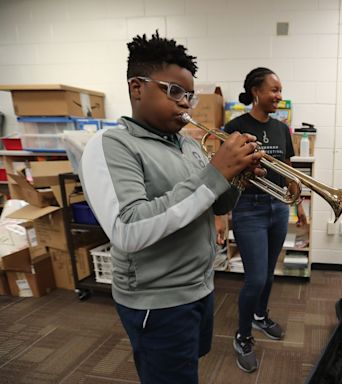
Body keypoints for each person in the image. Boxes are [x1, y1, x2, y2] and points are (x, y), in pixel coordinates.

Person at [79, 31, 264, 384]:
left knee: (185, 370)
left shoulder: (189, 146)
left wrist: (237, 177)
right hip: (157, 300)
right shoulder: (112, 145)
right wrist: (215, 173)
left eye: (190, 96)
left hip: (199, 286)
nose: (186, 104)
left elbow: (214, 204)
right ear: (137, 87)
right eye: (174, 91)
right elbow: (128, 229)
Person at [224, 67, 307, 373]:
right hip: (249, 209)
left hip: (277, 207)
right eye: (273, 90)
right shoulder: (234, 126)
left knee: (270, 272)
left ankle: (260, 316)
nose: (278, 96)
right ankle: (242, 336)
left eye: (280, 91)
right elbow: (226, 171)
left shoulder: (282, 128)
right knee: (255, 278)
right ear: (256, 92)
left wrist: (294, 184)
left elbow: (286, 164)